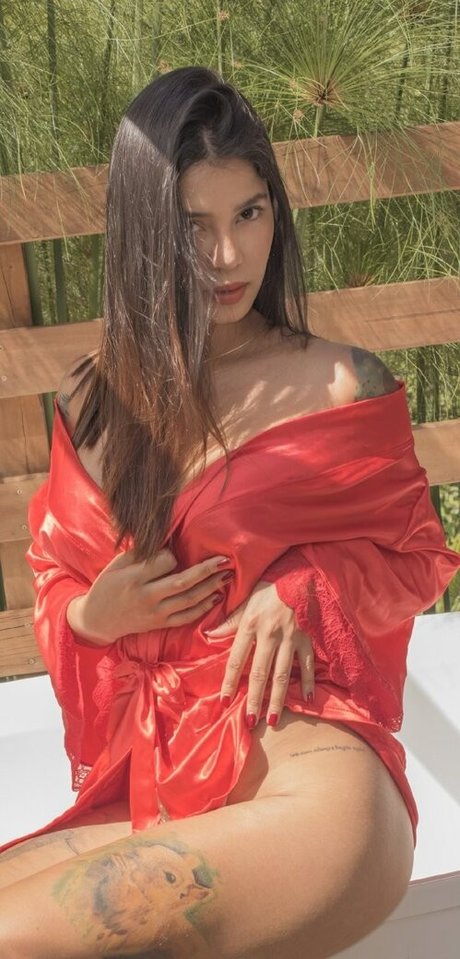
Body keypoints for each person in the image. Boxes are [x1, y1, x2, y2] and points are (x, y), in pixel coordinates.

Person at [0, 65, 459, 959]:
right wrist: (96, 615)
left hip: (311, 783)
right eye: (193, 226)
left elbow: (419, 561)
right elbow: (58, 580)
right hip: (160, 785)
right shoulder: (93, 401)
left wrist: (305, 583)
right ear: (144, 233)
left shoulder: (340, 382)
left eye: (249, 214)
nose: (227, 256)